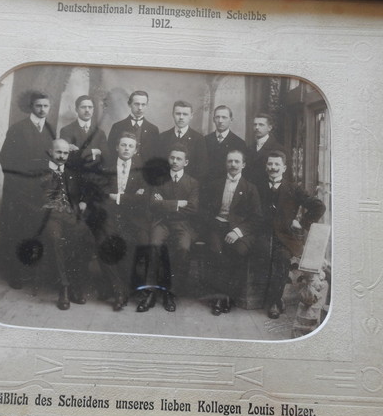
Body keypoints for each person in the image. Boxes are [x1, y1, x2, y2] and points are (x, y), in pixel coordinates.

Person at [0, 91, 56, 288]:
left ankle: (31, 273)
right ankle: (15, 275)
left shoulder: (50, 129)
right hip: (19, 191)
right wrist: (21, 182)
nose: (42, 109)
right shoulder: (18, 129)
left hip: (39, 191)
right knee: (17, 231)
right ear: (32, 107)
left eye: (46, 106)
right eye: (38, 106)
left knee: (35, 231)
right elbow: (5, 159)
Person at [259, 150, 325, 319]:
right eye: (270, 164)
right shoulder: (258, 186)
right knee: (262, 254)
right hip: (262, 234)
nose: (273, 168)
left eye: (277, 165)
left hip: (286, 238)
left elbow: (318, 206)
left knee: (281, 257)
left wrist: (302, 223)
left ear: (284, 168)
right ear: (266, 167)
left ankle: (275, 301)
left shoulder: (292, 189)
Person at [90, 132, 150, 311]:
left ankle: (121, 288)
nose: (126, 149)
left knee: (135, 244)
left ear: (136, 150)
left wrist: (117, 197)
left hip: (133, 219)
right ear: (117, 147)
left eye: (131, 146)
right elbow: (98, 193)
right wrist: (130, 197)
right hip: (108, 217)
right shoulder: (105, 167)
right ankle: (119, 291)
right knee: (103, 245)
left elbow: (144, 197)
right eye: (123, 145)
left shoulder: (141, 170)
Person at [33, 139, 92, 310]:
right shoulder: (41, 171)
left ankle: (75, 285)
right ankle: (63, 287)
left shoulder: (71, 173)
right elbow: (31, 196)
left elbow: (84, 191)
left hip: (70, 216)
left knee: (84, 237)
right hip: (49, 217)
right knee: (55, 239)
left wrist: (83, 202)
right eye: (59, 152)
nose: (62, 156)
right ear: (50, 152)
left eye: (66, 153)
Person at [200, 149, 261, 315]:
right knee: (217, 253)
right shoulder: (215, 184)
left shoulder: (250, 188)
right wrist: (213, 223)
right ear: (225, 164)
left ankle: (229, 296)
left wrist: (238, 232)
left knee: (238, 252)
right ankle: (219, 297)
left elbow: (256, 218)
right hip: (216, 226)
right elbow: (203, 210)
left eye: (236, 161)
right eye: (230, 161)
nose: (233, 165)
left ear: (243, 165)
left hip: (237, 230)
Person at [140, 144, 199, 313]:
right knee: (154, 246)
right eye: (172, 158)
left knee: (183, 247)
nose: (174, 161)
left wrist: (164, 203)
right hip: (162, 222)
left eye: (179, 159)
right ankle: (150, 292)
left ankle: (170, 293)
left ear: (186, 162)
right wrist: (179, 203)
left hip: (182, 224)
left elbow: (193, 208)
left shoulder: (192, 182)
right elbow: (152, 203)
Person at [106, 90, 160, 167]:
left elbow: (155, 156)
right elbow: (110, 152)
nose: (140, 108)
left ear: (147, 105)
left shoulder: (153, 130)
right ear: (129, 104)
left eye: (143, 104)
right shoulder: (117, 126)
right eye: (136, 104)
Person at [157, 100, 207, 182]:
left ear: (191, 116)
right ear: (173, 114)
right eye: (178, 113)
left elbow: (201, 169)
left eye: (185, 114)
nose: (181, 117)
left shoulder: (199, 139)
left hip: (189, 187)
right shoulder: (163, 137)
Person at [59, 94, 107, 172]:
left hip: (94, 177)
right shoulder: (66, 130)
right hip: (74, 175)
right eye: (83, 107)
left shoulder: (100, 133)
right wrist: (93, 152)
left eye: (90, 107)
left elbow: (104, 157)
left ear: (93, 110)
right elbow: (69, 157)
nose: (87, 110)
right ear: (76, 109)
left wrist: (79, 152)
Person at [204, 105, 245, 183]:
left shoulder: (239, 143)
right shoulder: (205, 140)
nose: (220, 120)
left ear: (231, 120)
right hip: (207, 185)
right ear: (213, 119)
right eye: (217, 117)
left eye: (224, 117)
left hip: (228, 184)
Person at [245, 113, 285, 190]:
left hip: (268, 192)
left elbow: (284, 178)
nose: (257, 127)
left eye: (261, 125)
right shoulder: (249, 148)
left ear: (269, 128)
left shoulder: (278, 148)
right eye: (255, 125)